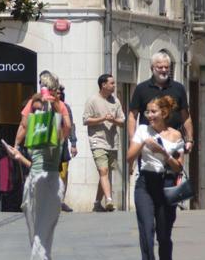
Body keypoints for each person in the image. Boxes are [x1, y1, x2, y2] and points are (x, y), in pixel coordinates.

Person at [5, 72, 72, 260]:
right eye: (34, 110)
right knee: (35, 234)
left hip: (51, 181)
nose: (37, 113)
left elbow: (66, 131)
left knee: (42, 235)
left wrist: (53, 107)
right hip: (33, 181)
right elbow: (23, 128)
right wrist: (16, 150)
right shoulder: (31, 124)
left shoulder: (58, 116)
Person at [127, 96, 186, 260]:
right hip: (144, 183)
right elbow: (129, 156)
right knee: (146, 232)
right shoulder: (143, 130)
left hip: (166, 185)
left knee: (164, 235)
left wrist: (163, 152)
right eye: (147, 112)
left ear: (164, 113)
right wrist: (143, 141)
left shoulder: (176, 135)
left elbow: (179, 167)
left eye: (153, 112)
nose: (150, 116)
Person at [129, 52, 194, 153]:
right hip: (149, 141)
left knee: (174, 168)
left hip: (173, 140)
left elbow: (186, 116)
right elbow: (132, 116)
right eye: (160, 67)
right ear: (152, 68)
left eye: (166, 67)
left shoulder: (179, 88)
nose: (164, 70)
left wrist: (189, 139)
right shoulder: (141, 88)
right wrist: (133, 140)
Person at [82, 73, 125, 212]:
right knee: (103, 170)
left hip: (112, 142)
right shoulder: (92, 100)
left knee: (104, 173)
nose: (114, 85)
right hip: (97, 140)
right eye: (111, 83)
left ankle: (96, 203)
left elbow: (122, 121)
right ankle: (109, 200)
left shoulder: (115, 101)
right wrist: (102, 119)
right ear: (103, 85)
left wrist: (113, 120)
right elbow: (86, 120)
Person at [58, 86, 77, 212]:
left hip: (62, 145)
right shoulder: (42, 106)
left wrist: (73, 143)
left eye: (59, 93)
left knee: (63, 174)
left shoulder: (65, 108)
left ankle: (60, 201)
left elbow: (70, 126)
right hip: (47, 146)